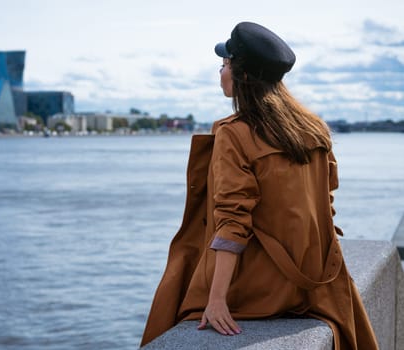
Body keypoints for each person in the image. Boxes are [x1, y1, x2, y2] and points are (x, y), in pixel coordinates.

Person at [141, 22, 378, 350]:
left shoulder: (234, 134)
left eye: (224, 65)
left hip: (259, 290)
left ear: (242, 76)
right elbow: (326, 207)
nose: (220, 72)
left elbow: (233, 222)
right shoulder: (314, 130)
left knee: (174, 305)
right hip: (313, 285)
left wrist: (217, 300)